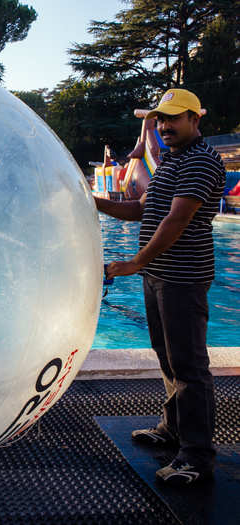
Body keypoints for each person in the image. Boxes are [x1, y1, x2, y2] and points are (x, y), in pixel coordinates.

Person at [95, 88, 226, 486]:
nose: (164, 126)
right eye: (160, 119)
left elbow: (176, 221)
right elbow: (141, 210)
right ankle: (173, 429)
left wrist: (134, 264)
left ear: (194, 119)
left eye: (173, 118)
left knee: (189, 366)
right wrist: (92, 200)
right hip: (160, 276)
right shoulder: (172, 160)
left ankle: (197, 457)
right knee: (168, 358)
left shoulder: (201, 162)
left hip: (182, 278)